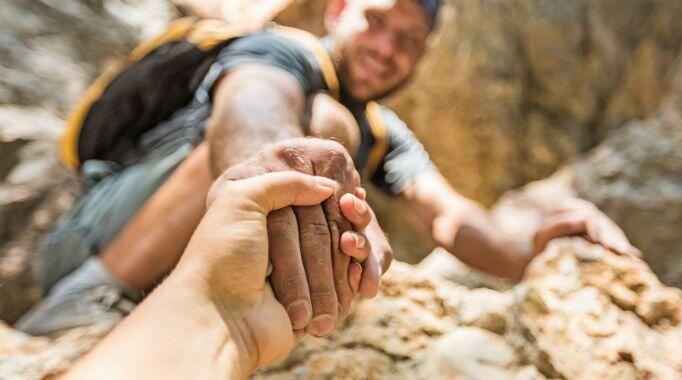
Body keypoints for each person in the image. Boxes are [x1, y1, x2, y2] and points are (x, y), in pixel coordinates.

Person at [17, 0, 641, 337]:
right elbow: (252, 102)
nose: (388, 49)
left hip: (182, 245)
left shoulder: (384, 133)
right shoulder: (281, 50)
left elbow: (449, 217)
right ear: (339, 11)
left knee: (333, 131)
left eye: (409, 42)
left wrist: (535, 251)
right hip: (91, 241)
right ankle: (86, 298)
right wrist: (267, 164)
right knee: (320, 127)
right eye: (378, 21)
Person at [65, 171, 346, 379]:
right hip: (83, 272)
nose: (371, 85)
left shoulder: (383, 136)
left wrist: (232, 320)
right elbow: (250, 103)